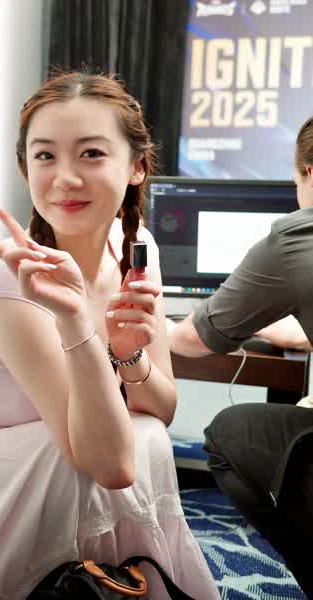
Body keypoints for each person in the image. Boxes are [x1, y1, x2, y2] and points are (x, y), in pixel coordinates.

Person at [0, 71, 219, 600]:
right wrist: (75, 319)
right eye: (45, 156)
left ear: (137, 166)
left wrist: (129, 358)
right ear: (25, 167)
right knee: (87, 457)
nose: (65, 178)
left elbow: (160, 410)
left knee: (141, 434)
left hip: (18, 461)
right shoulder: (8, 283)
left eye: (91, 154)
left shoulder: (136, 248)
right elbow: (111, 466)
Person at [166, 115, 313, 596]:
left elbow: (196, 340)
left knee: (227, 433)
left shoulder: (296, 236)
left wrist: (156, 329)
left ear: (308, 173)